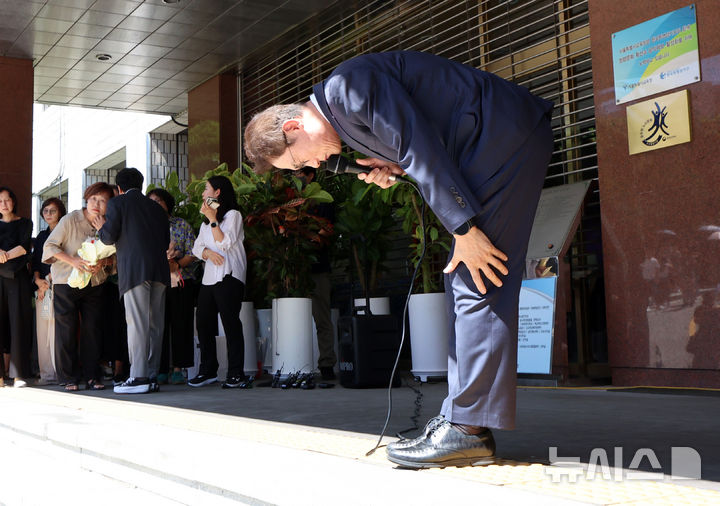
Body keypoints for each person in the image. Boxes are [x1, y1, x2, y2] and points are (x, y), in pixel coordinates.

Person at [244, 51, 554, 468]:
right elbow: (415, 143)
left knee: (478, 278)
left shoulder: (346, 89)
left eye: (301, 159)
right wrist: (390, 164)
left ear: (294, 126)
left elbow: (419, 145)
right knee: (466, 279)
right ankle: (461, 418)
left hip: (500, 139)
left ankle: (468, 430)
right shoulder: (345, 114)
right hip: (490, 145)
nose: (314, 166)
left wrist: (463, 229)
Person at [92, 168, 170, 394]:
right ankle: (152, 375)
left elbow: (108, 236)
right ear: (142, 185)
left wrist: (100, 228)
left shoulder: (118, 203)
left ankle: (138, 377)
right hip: (160, 271)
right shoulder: (156, 208)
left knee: (137, 323)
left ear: (119, 188)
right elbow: (165, 242)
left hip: (135, 270)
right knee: (156, 325)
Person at [42, 183, 115, 391]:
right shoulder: (70, 219)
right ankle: (69, 377)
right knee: (67, 329)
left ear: (109, 204)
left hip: (95, 281)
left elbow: (116, 256)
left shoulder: (109, 224)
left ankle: (92, 376)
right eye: (93, 199)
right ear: (86, 199)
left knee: (92, 329)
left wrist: (104, 263)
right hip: (67, 280)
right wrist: (72, 261)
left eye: (102, 201)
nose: (97, 204)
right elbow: (50, 246)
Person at [189, 175, 249, 389]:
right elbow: (195, 248)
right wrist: (206, 253)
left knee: (230, 323)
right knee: (203, 322)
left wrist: (213, 218)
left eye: (206, 189)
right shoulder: (205, 223)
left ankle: (236, 373)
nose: (203, 193)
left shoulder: (233, 215)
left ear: (218, 193)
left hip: (229, 276)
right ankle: (208, 371)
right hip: (209, 279)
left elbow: (224, 243)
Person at [147, 188, 197, 385]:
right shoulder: (146, 227)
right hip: (157, 281)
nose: (155, 204)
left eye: (159, 200)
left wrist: (177, 263)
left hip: (182, 280)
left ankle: (179, 368)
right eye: (151, 201)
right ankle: (160, 369)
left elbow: (193, 252)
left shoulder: (181, 224)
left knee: (181, 324)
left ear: (167, 202)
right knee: (158, 326)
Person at [297, 167, 337, 380]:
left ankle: (327, 364)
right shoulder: (291, 200)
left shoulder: (323, 200)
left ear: (311, 175)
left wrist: (307, 238)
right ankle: (296, 363)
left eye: (299, 174)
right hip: (295, 268)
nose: (296, 178)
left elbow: (326, 231)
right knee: (294, 318)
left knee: (322, 317)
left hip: (318, 267)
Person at [0, 187, 33, 388]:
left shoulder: (25, 223)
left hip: (18, 277)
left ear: (13, 201)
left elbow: (24, 246)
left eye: (7, 199)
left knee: (18, 322)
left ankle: (18, 374)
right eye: (0, 201)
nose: (4, 204)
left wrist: (3, 256)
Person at [32, 197, 67, 385]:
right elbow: (37, 261)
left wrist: (52, 278)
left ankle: (61, 372)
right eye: (45, 211)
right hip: (43, 289)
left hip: (61, 285)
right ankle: (47, 374)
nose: (48, 214)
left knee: (60, 332)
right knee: (43, 331)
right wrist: (38, 281)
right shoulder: (41, 237)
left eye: (52, 211)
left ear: (60, 212)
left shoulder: (66, 232)